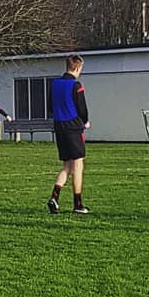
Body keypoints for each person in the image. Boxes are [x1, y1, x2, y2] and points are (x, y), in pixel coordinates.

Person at [48, 54, 90, 214]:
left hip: (59, 126)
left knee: (67, 165)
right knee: (78, 164)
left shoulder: (54, 84)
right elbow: (82, 108)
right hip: (73, 126)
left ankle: (54, 197)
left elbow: (50, 107)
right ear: (78, 67)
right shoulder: (76, 85)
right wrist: (85, 121)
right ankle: (78, 204)